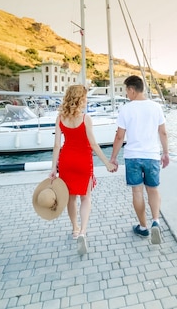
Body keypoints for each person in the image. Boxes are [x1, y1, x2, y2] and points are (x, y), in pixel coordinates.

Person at [50, 85, 116, 255]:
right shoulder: (86, 118)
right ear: (81, 99)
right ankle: (83, 232)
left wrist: (53, 169)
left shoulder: (60, 118)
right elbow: (93, 144)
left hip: (66, 161)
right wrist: (107, 163)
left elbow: (57, 145)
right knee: (85, 198)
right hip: (82, 161)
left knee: (70, 199)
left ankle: (74, 229)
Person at [109, 75, 169, 245]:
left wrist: (113, 158)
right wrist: (165, 153)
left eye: (126, 90)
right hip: (151, 156)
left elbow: (120, 136)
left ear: (132, 90)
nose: (126, 94)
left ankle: (143, 227)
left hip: (133, 157)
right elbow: (163, 133)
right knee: (153, 190)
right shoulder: (156, 107)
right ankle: (155, 220)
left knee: (137, 192)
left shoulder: (126, 109)